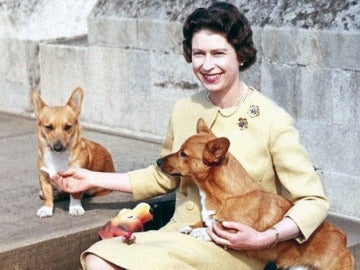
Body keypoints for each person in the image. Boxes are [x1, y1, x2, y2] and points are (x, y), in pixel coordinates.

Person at [52, 2, 329, 270]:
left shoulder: (272, 119)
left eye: (218, 53)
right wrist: (90, 178)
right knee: (97, 257)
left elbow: (313, 201)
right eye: (199, 54)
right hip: (180, 236)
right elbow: (162, 175)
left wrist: (266, 237)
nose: (207, 65)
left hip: (238, 250)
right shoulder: (185, 109)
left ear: (240, 55)